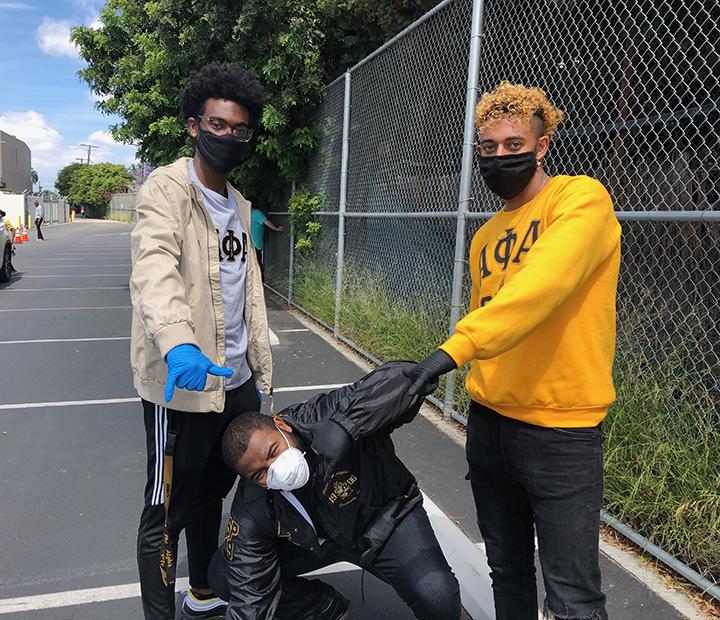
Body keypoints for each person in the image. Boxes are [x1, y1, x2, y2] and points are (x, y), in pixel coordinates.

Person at [404, 83, 621, 620]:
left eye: (513, 143)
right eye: (489, 147)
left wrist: (452, 352)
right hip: (490, 423)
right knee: (507, 570)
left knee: (572, 595)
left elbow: (541, 288)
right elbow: (497, 315)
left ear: (543, 144)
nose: (500, 155)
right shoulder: (484, 238)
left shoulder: (579, 200)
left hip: (560, 431)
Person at [130, 61, 273, 620]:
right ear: (194, 125)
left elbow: (245, 293)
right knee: (166, 511)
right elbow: (154, 268)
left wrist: (258, 368)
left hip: (233, 383)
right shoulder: (165, 191)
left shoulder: (239, 205)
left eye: (240, 129)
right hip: (181, 383)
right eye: (218, 126)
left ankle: (204, 592)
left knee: (215, 492)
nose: (229, 137)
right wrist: (177, 342)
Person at [208, 362, 461, 620]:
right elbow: (248, 596)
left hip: (385, 522)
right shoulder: (253, 503)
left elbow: (406, 376)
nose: (274, 469)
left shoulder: (323, 415)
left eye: (273, 452)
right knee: (224, 575)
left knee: (437, 598)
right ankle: (323, 605)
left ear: (281, 426)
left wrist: (348, 424)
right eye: (259, 474)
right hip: (319, 543)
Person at [250, 206, 283, 280]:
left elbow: (266, 222)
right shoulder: (246, 213)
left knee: (257, 264)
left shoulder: (256, 213)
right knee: (253, 264)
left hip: (255, 244)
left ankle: (260, 282)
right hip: (249, 244)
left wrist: (276, 228)